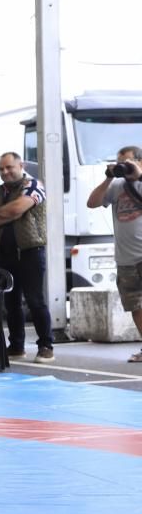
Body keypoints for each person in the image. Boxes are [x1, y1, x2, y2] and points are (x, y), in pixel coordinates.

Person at [0, 152, 54, 363]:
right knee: (10, 303)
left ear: (20, 165)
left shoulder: (33, 185)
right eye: (1, 169)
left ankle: (46, 347)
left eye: (9, 167)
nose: (5, 172)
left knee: (35, 300)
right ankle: (16, 347)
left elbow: (20, 208)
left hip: (31, 252)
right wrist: (8, 212)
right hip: (5, 255)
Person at [86, 145, 142, 361]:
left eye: (127, 162)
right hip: (125, 258)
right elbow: (92, 203)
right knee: (135, 306)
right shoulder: (117, 186)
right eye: (120, 163)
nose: (123, 167)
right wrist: (109, 177)